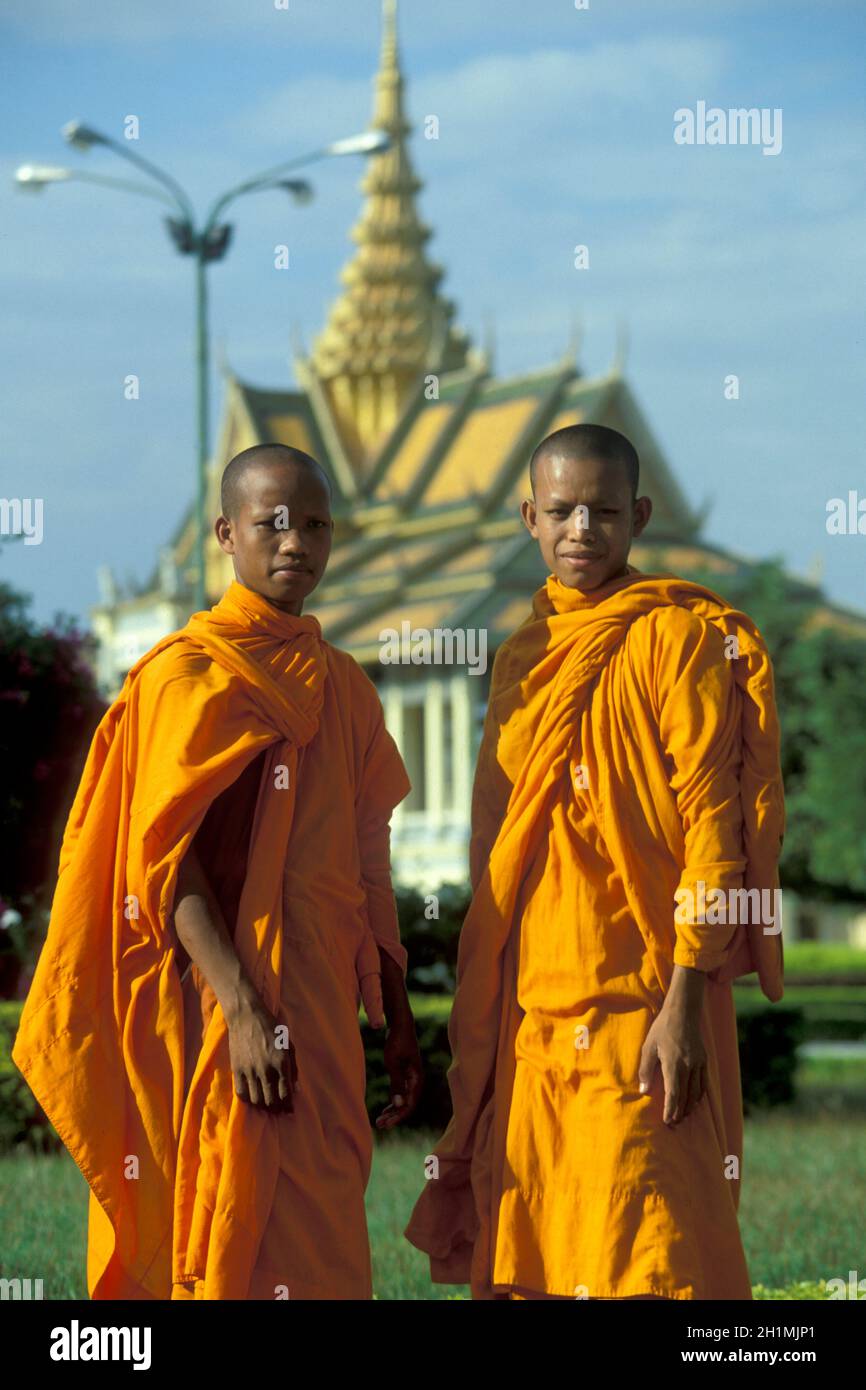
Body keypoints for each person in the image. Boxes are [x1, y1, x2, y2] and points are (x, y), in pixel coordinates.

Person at [13, 442, 422, 1300]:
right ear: (225, 534)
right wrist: (241, 1007)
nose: (294, 542)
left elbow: (366, 848)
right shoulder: (189, 676)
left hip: (317, 1017)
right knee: (217, 1227)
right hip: (214, 1007)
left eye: (314, 525)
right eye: (272, 523)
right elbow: (162, 860)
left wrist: (391, 999)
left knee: (323, 1247)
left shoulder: (344, 687)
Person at [404, 423, 785, 1300]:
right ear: (528, 518)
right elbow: (499, 848)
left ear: (639, 517)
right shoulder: (521, 659)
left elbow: (711, 828)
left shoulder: (675, 639)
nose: (583, 529)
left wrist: (686, 997)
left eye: (604, 511)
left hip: (646, 1000)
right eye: (563, 511)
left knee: (654, 1240)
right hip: (536, 1008)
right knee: (540, 1242)